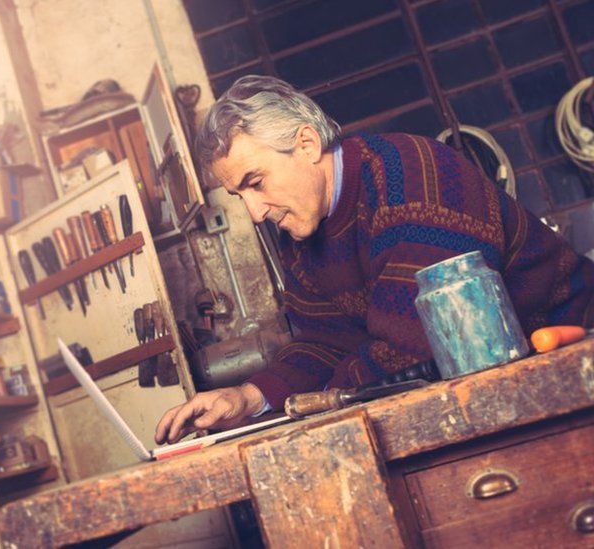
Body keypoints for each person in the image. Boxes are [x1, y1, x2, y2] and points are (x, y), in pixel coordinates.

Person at [155, 75, 594, 445]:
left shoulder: (410, 173)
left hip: (571, 366)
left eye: (256, 182)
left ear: (306, 144)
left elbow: (418, 343)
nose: (256, 212)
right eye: (240, 195)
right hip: (484, 394)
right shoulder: (300, 230)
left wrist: (319, 401)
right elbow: (326, 342)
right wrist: (248, 398)